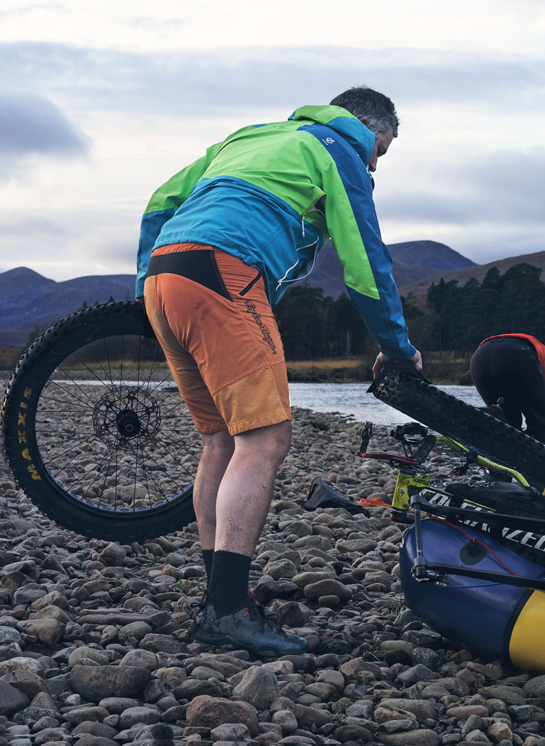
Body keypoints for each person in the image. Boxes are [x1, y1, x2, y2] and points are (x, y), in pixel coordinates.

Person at [135, 87, 422, 656]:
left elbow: (159, 202)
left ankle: (219, 598)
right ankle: (227, 610)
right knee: (265, 439)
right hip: (225, 270)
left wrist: (149, 279)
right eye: (379, 153)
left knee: (220, 440)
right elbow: (366, 260)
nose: (372, 166)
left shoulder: (254, 136)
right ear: (368, 128)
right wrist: (396, 345)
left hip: (166, 277)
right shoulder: (338, 150)